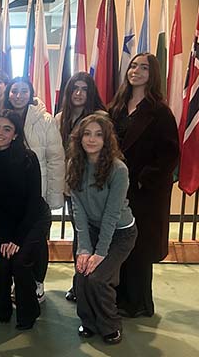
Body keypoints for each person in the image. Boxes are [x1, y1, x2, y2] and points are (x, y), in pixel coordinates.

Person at [108, 53, 179, 318]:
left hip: (143, 193)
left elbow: (170, 154)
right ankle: (115, 298)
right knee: (117, 245)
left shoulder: (159, 111)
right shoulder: (117, 106)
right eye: (133, 65)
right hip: (116, 188)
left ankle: (137, 303)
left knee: (138, 248)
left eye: (144, 67)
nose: (136, 70)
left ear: (153, 74)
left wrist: (142, 179)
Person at [68, 112, 137, 345]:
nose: (91, 139)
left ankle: (110, 324)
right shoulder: (74, 165)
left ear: (107, 139)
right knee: (82, 273)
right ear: (79, 138)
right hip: (92, 228)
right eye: (86, 134)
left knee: (98, 278)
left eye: (98, 135)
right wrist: (85, 249)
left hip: (120, 232)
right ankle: (88, 321)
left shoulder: (118, 169)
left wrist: (100, 253)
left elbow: (111, 215)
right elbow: (78, 212)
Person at [0, 110, 51, 330]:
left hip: (34, 220)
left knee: (20, 263)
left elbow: (33, 201)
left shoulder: (28, 158)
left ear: (15, 134)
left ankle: (29, 311)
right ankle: (3, 303)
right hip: (7, 224)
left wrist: (17, 239)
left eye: (6, 129)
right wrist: (5, 237)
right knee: (3, 264)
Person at [2, 77, 65, 302]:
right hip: (9, 195)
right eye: (14, 91)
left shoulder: (45, 120)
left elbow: (56, 158)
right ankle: (13, 282)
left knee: (36, 242)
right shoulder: (2, 118)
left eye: (23, 91)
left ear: (31, 93)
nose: (18, 95)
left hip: (38, 193)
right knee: (9, 239)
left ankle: (37, 282)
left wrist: (52, 196)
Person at [54, 72, 106, 303]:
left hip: (95, 188)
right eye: (74, 88)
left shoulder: (101, 118)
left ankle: (94, 285)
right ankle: (80, 282)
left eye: (84, 89)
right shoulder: (59, 119)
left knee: (94, 237)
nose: (78, 93)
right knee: (80, 235)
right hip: (70, 187)